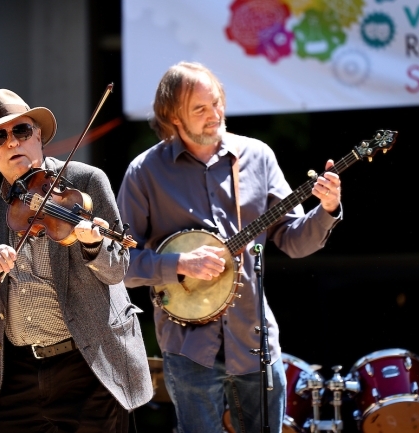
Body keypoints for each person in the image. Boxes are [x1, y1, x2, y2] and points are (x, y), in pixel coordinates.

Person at [116, 61, 342, 433]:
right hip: (188, 349)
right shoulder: (145, 172)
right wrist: (179, 264)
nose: (214, 115)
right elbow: (120, 263)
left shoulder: (257, 157)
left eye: (217, 103)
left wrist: (327, 209)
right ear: (173, 118)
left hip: (254, 339)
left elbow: (294, 240)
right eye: (200, 109)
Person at [0, 88, 153, 433]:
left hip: (88, 361)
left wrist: (93, 247)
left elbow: (118, 268)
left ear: (38, 137)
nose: (12, 142)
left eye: (21, 131)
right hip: (16, 371)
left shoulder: (84, 182)